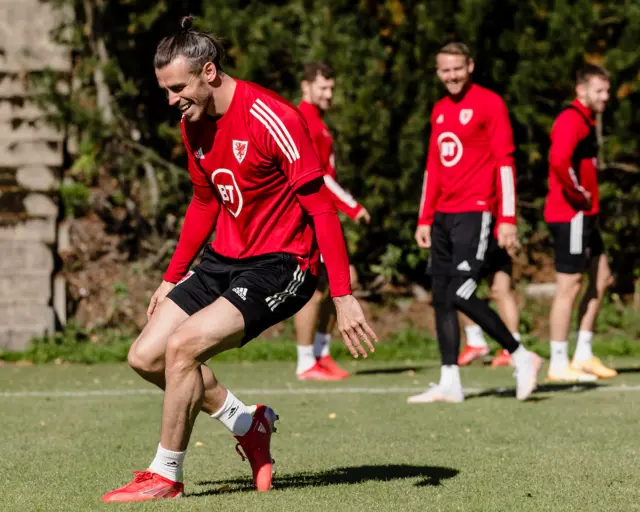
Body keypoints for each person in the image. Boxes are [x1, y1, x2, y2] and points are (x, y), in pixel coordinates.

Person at [102, 17, 377, 503]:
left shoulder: (274, 117)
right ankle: (248, 425)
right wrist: (171, 277)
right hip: (222, 258)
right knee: (145, 356)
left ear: (209, 72)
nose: (171, 100)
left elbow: (322, 209)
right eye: (165, 90)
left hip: (282, 263)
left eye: (178, 87)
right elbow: (205, 203)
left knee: (184, 347)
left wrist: (343, 294)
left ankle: (165, 475)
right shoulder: (194, 123)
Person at [410, 42, 541, 404]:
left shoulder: (490, 103)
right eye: (444, 70)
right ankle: (450, 381)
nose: (451, 76)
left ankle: (520, 354)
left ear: (469, 65)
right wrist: (424, 217)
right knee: (441, 297)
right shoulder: (438, 110)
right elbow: (433, 167)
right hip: (441, 216)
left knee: (461, 292)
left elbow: (505, 163)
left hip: (475, 211)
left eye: (457, 69)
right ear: (437, 72)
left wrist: (508, 218)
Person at [294, 61, 371, 381]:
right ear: (306, 86)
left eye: (331, 88)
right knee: (312, 288)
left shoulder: (320, 122)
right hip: (308, 216)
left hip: (324, 214)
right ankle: (304, 361)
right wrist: (353, 206)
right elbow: (317, 176)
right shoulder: (303, 121)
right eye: (322, 88)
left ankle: (321, 353)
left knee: (337, 281)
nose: (328, 94)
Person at [544, 64, 616, 383]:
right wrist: (579, 194)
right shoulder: (570, 119)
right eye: (599, 90)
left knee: (602, 278)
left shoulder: (588, 120)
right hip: (570, 214)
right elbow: (559, 161)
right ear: (581, 90)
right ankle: (558, 362)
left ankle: (583, 354)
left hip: (586, 216)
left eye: (607, 90)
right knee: (569, 286)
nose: (606, 97)